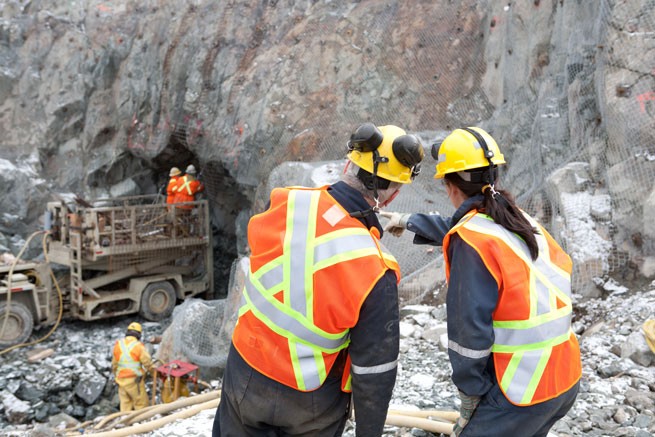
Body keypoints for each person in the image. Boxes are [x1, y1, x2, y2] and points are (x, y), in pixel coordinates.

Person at [213, 123, 424, 436]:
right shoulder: (376, 268)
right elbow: (374, 370)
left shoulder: (285, 202)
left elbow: (307, 251)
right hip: (309, 398)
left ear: (348, 164)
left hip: (246, 372)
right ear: (392, 197)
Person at [381, 127, 581, 437]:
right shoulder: (516, 219)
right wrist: (408, 221)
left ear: (450, 186)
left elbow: (468, 335)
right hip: (563, 377)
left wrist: (469, 397)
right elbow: (463, 228)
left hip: (522, 390)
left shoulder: (473, 241)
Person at [111, 321, 155, 412]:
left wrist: (116, 375)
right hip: (134, 381)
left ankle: (125, 422)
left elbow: (114, 365)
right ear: (139, 335)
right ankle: (143, 424)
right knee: (140, 404)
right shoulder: (139, 346)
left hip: (121, 381)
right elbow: (147, 363)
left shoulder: (118, 345)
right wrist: (154, 373)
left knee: (125, 405)